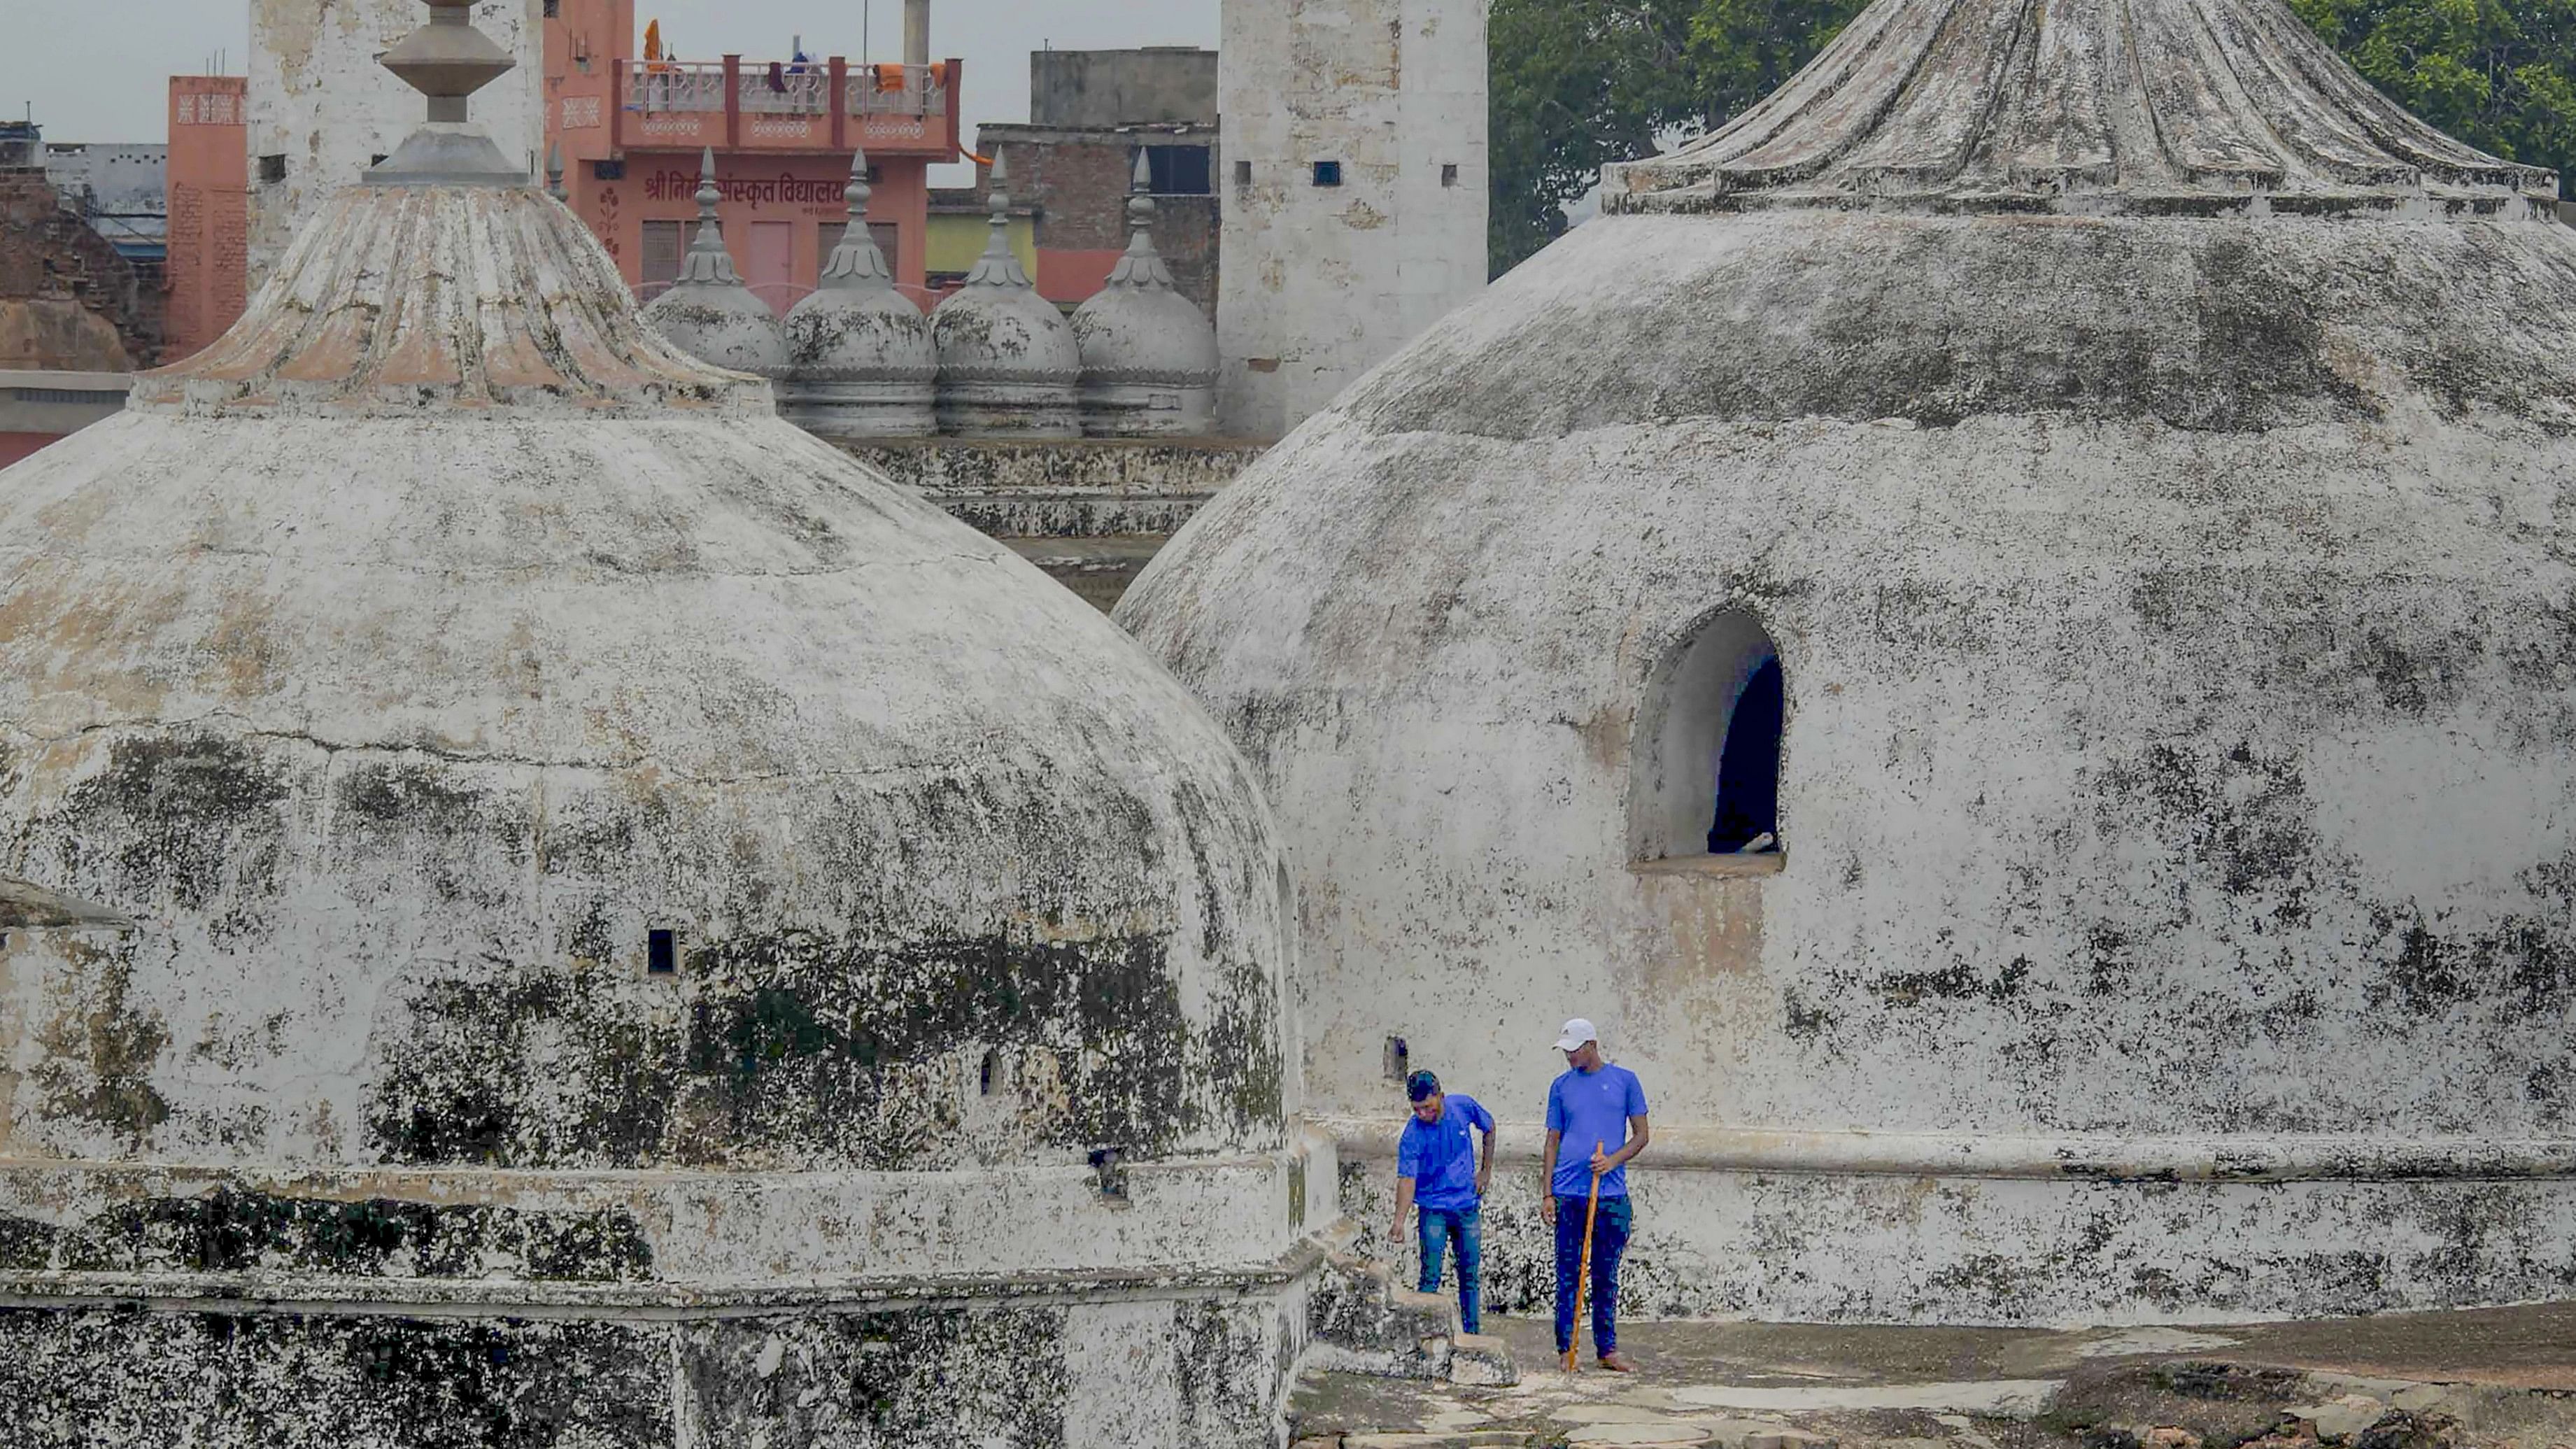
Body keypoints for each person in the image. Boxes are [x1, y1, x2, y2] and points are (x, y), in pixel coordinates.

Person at [1542, 1018, 1650, 1371]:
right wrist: (1547, 1193)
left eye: (1575, 1050)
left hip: (1611, 1195)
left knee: (1606, 1273)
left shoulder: (1625, 1082)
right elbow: (1552, 1141)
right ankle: (1566, 1349)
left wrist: (1612, 1161)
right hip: (1570, 1193)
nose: (1570, 1056)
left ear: (1592, 1045)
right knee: (1568, 1273)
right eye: (1566, 1051)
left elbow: (1641, 1135)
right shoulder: (1560, 1087)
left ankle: (1607, 1349)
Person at [1389, 1069, 1494, 1334]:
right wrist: (1399, 1221)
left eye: (1427, 1107)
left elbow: (1489, 1127)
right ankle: (1426, 1335)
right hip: (1433, 1211)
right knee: (1430, 1276)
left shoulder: (1463, 1107)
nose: (1424, 1114)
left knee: (1469, 1276)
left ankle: (1472, 1334)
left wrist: (1486, 1171)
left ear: (1441, 1097)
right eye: (1417, 1109)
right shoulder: (1412, 1135)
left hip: (1467, 1207)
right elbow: (1407, 1180)